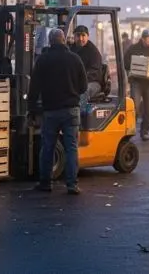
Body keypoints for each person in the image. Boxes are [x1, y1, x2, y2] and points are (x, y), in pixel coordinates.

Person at [27, 28, 86, 195]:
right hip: (71, 110)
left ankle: (45, 182)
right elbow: (83, 86)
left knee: (47, 147)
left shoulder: (43, 60)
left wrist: (31, 110)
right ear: (64, 40)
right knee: (71, 148)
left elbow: (34, 88)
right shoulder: (75, 59)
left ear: (50, 42)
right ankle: (72, 185)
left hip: (51, 111)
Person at [124, 29, 149, 141]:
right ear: (143, 39)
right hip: (137, 82)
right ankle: (130, 130)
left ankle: (144, 132)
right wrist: (131, 70)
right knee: (134, 107)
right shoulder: (133, 49)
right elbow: (125, 62)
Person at [71, 25, 104, 97]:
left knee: (84, 91)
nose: (80, 38)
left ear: (87, 36)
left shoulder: (93, 52)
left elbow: (94, 73)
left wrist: (79, 80)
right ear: (74, 36)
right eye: (78, 35)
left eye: (83, 35)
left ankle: (79, 108)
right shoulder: (71, 49)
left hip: (92, 82)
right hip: (75, 81)